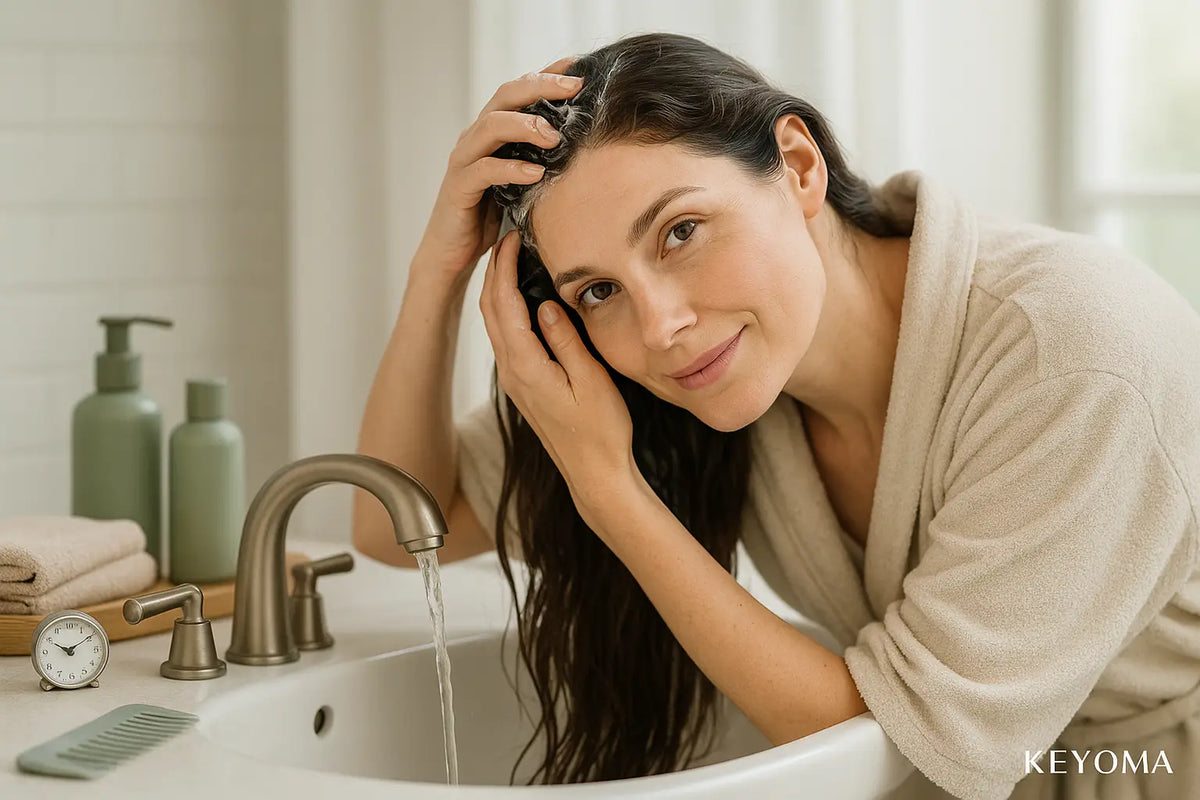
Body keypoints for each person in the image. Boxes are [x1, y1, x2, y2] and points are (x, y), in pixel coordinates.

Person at [353, 31, 1200, 799]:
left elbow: (902, 736)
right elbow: (396, 526)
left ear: (798, 166)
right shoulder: (717, 382)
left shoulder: (1075, 356)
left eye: (681, 231)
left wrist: (609, 488)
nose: (660, 329)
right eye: (599, 290)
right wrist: (442, 264)